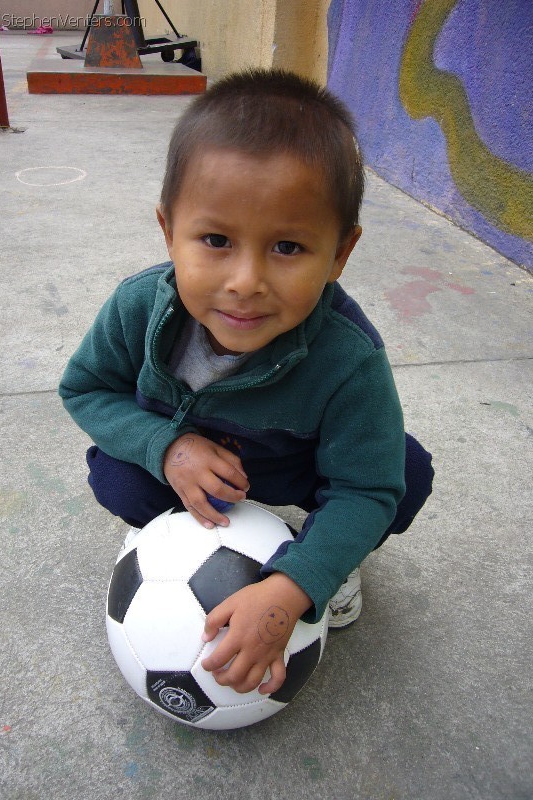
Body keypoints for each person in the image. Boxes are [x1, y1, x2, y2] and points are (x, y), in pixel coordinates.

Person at [59, 68, 433, 697]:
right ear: (167, 231)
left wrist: (294, 587)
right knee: (116, 472)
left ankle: (322, 560)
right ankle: (178, 534)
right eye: (215, 240)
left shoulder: (348, 359)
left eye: (288, 247)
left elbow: (365, 489)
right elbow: (86, 390)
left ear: (341, 253)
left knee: (402, 472)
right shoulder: (137, 308)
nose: (245, 281)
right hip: (200, 470)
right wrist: (167, 447)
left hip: (295, 467)